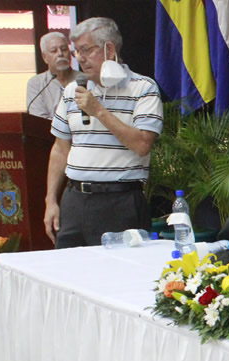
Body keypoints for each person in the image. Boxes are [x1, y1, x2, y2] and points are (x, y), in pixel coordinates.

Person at [44, 17, 163, 248]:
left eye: (86, 50)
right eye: (76, 51)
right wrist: (51, 200)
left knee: (117, 278)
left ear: (109, 49)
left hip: (120, 202)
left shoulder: (143, 88)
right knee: (67, 274)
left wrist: (98, 110)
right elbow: (60, 149)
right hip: (74, 199)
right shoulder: (72, 90)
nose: (80, 58)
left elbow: (142, 144)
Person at [26, 32, 75, 119]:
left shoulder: (85, 79)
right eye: (54, 51)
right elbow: (39, 121)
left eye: (64, 49)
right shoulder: (36, 83)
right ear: (45, 57)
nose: (60, 54)